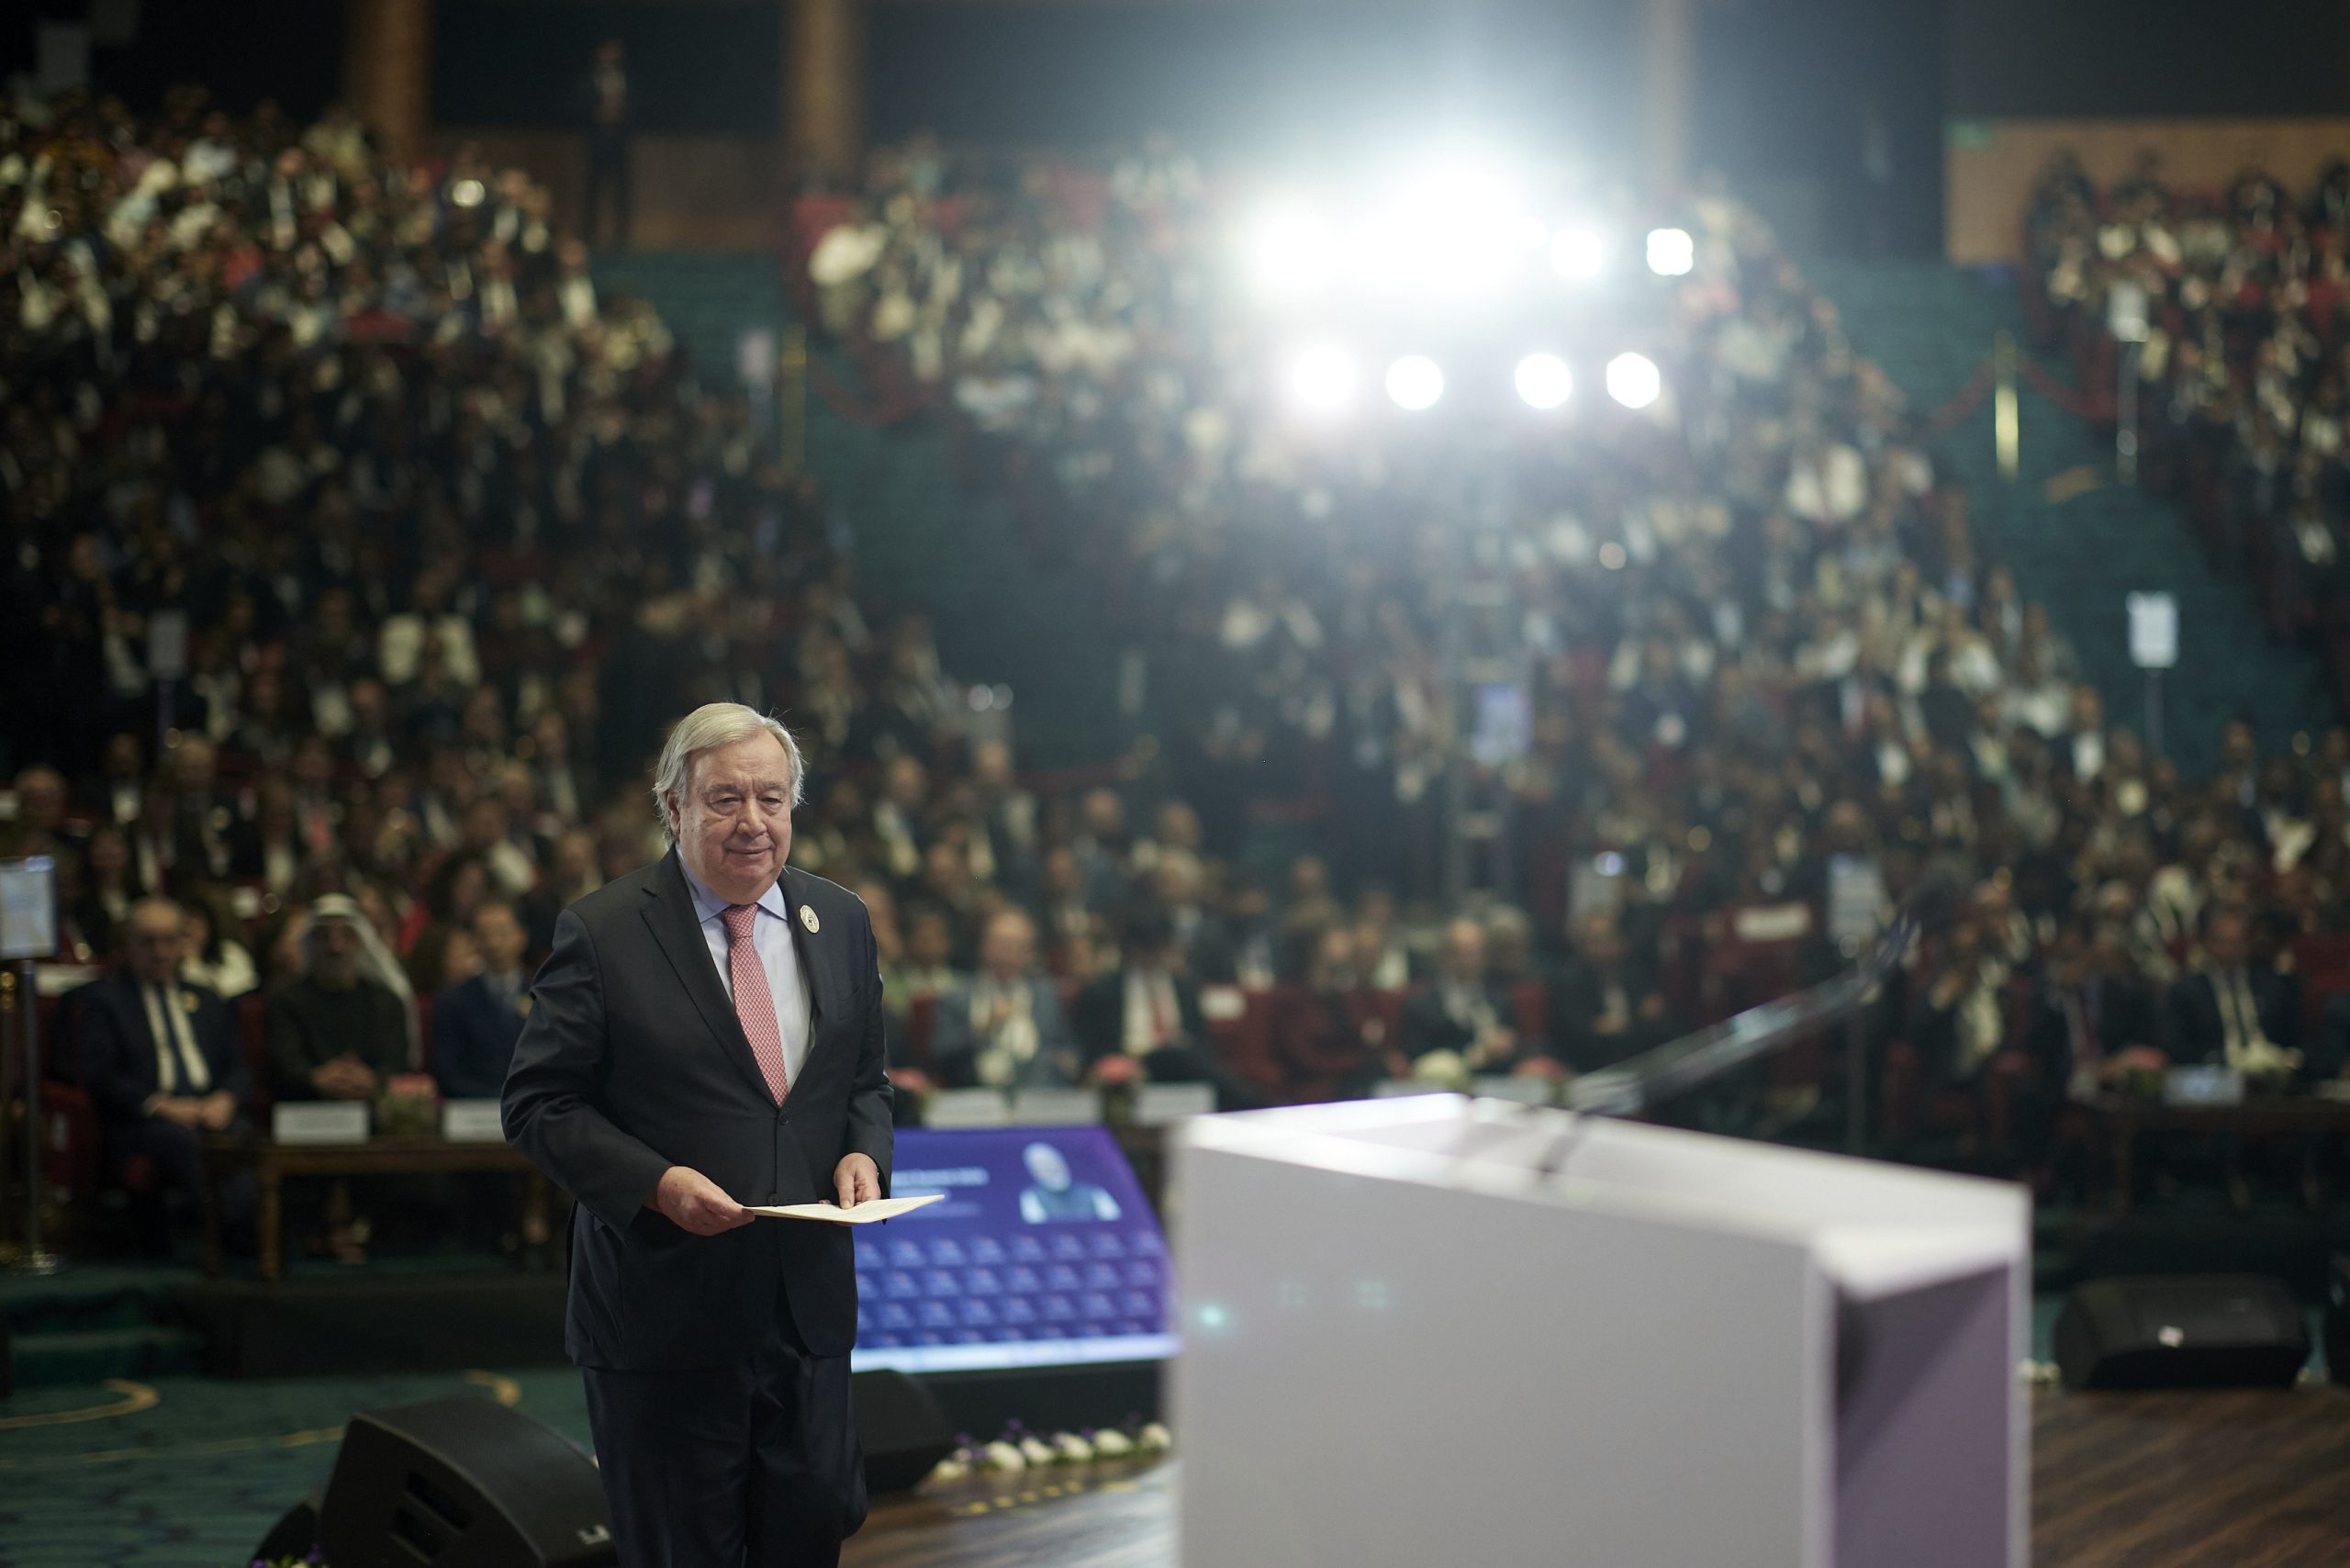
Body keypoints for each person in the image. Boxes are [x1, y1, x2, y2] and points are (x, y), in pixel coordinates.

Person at [504, 703, 892, 1568]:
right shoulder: (603, 931)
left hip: (807, 1316)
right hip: (664, 1320)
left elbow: (863, 1081)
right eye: (725, 799)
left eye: (771, 798)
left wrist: (864, 1152)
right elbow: (538, 1104)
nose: (753, 821)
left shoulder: (842, 920)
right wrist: (656, 1184)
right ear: (673, 807)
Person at [73, 898, 250, 1252]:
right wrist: (161, 1105)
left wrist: (225, 1099)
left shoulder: (206, 999)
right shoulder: (106, 1000)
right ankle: (235, 1235)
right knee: (182, 1143)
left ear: (183, 943)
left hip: (209, 1111)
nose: (160, 952)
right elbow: (101, 1075)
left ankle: (247, 1231)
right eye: (148, 942)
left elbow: (238, 1067)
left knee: (245, 1138)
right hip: (144, 1121)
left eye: (169, 940)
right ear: (129, 945)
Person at [930, 908, 1079, 1089]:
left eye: (1016, 946)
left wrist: (1068, 1060)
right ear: (984, 946)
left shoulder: (1046, 995)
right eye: (1000, 944)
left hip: (1038, 1092)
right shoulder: (956, 996)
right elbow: (940, 1054)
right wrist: (982, 1031)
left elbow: (1068, 1047)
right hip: (974, 1094)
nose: (1006, 953)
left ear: (1029, 953)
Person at [431, 900, 533, 1101]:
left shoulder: (544, 997)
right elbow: (448, 1071)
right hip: (472, 1107)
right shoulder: (453, 1001)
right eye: (484, 935)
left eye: (502, 933)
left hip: (531, 1106)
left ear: (521, 936)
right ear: (474, 942)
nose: (493, 943)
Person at [582, 39, 632, 249]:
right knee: (593, 190)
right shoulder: (589, 80)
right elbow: (579, 106)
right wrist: (597, 113)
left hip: (619, 141)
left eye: (615, 51)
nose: (610, 56)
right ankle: (589, 236)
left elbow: (638, 106)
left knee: (621, 191)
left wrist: (621, 113)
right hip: (597, 140)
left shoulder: (627, 79)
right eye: (606, 51)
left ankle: (621, 238)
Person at [1016, 1140, 1120, 1223]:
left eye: (1052, 1162)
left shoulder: (1094, 1192)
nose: (1051, 1168)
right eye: (1042, 1166)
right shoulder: (1031, 1197)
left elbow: (1114, 1222)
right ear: (1034, 1172)